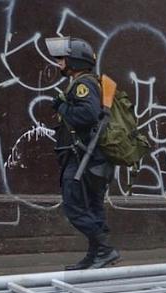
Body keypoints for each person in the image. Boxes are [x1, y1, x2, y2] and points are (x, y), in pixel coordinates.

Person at [45, 36, 120, 270]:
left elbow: (87, 116)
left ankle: (105, 249)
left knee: (74, 207)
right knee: (92, 207)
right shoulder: (89, 83)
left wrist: (61, 105)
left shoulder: (82, 84)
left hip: (83, 160)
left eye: (62, 59)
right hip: (93, 159)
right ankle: (96, 255)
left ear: (74, 61)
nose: (58, 62)